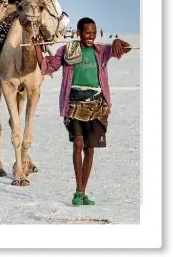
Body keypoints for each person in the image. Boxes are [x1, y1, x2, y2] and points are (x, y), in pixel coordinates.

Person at [41, 17, 131, 205]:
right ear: (78, 33)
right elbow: (49, 66)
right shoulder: (67, 50)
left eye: (94, 32)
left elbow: (127, 48)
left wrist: (117, 42)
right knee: (78, 145)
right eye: (87, 32)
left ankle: (81, 192)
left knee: (90, 149)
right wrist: (35, 48)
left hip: (96, 105)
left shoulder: (101, 51)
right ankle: (78, 192)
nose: (91, 36)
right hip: (74, 103)